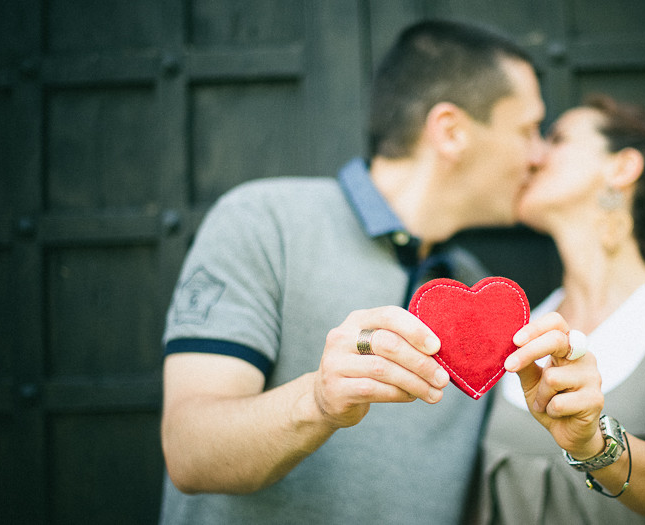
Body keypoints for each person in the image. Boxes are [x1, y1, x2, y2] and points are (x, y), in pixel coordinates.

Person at [158, 20, 546, 524]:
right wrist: (318, 400)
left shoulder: (481, 291)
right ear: (451, 132)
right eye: (528, 130)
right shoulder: (263, 221)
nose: (540, 156)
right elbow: (190, 454)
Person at [474, 94, 645, 524]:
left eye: (557, 139)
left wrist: (593, 443)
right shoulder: (520, 329)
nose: (532, 156)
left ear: (621, 167)